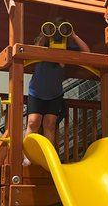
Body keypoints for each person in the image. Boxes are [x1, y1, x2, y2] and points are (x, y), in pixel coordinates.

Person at [23, 17, 90, 165]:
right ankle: (28, 156)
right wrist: (46, 33)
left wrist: (73, 35)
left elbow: (87, 52)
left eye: (63, 30)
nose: (60, 33)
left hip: (54, 93)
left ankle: (48, 156)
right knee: (33, 122)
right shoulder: (44, 45)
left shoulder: (68, 49)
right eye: (57, 30)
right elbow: (34, 49)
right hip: (37, 91)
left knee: (50, 123)